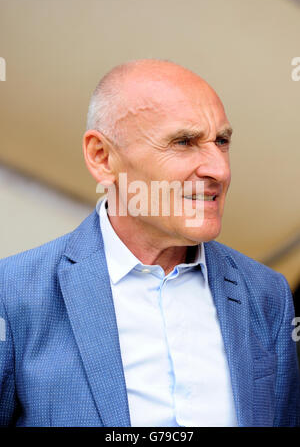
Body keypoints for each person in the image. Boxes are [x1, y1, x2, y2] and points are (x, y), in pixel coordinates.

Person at [0, 59, 299, 427]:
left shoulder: (266, 293)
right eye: (184, 142)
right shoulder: (13, 294)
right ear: (102, 157)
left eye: (222, 141)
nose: (219, 170)